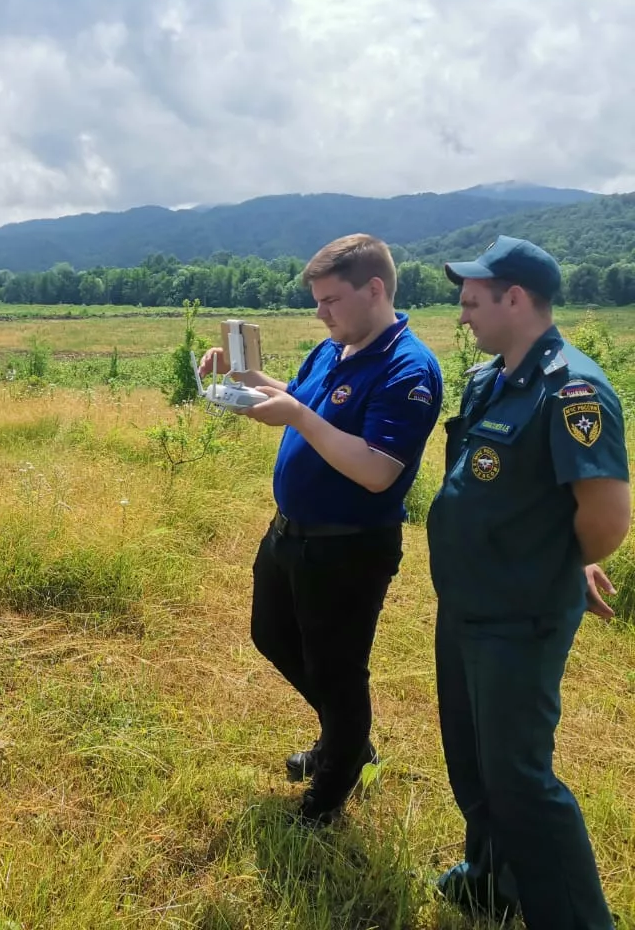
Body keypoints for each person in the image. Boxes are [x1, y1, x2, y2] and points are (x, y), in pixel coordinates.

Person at [200, 233, 443, 826]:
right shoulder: (334, 347)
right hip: (290, 534)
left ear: (375, 289)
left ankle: (329, 792)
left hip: (348, 549)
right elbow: (302, 398)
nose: (320, 312)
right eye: (317, 300)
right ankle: (345, 740)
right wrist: (247, 379)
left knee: (337, 670)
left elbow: (376, 471)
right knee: (272, 636)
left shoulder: (408, 367)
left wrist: (299, 417)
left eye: (331, 299)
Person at [426, 235, 630, 928]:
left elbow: (605, 517)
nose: (462, 315)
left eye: (472, 300)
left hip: (519, 612)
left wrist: (560, 561)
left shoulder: (573, 389)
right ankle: (492, 881)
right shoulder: (491, 379)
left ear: (515, 298)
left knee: (521, 781)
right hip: (467, 603)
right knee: (475, 761)